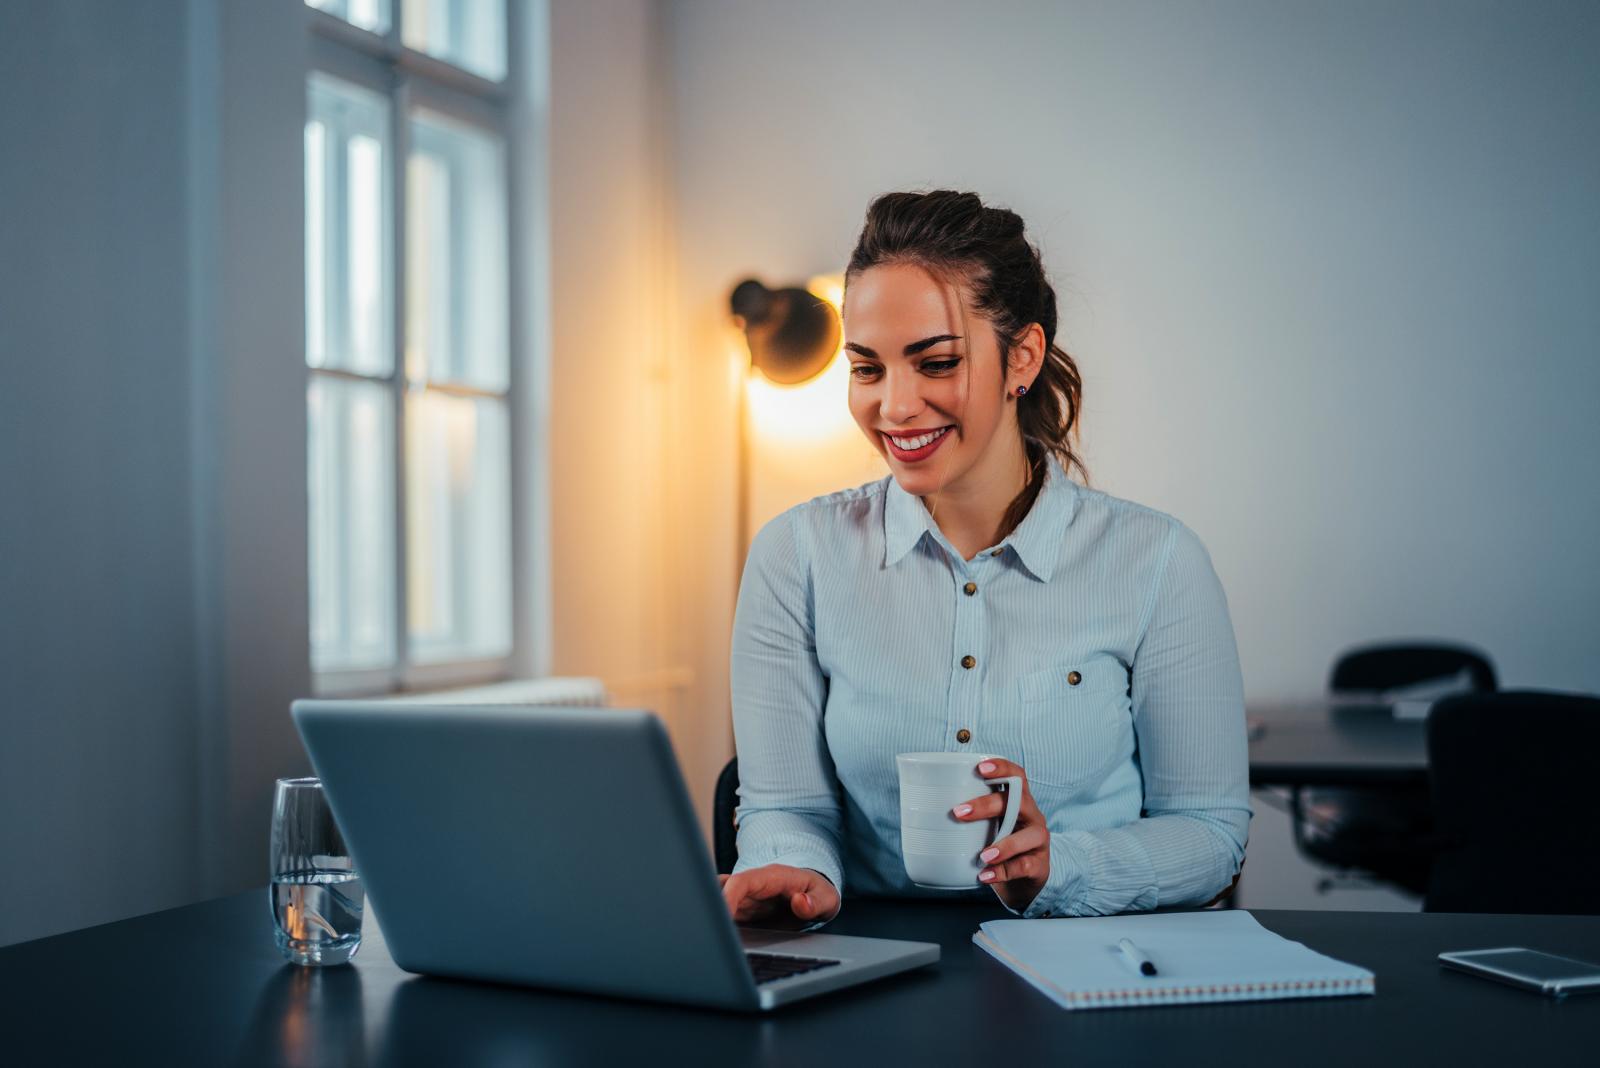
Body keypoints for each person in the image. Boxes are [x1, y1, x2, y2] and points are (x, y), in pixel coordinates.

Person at [720, 190, 1250, 929]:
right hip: (875, 960)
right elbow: (787, 807)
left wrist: (1060, 867)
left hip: (1090, 961)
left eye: (936, 363)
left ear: (1021, 357)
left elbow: (1209, 831)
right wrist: (796, 871)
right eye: (867, 369)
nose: (894, 407)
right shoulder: (796, 556)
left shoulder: (1156, 562)